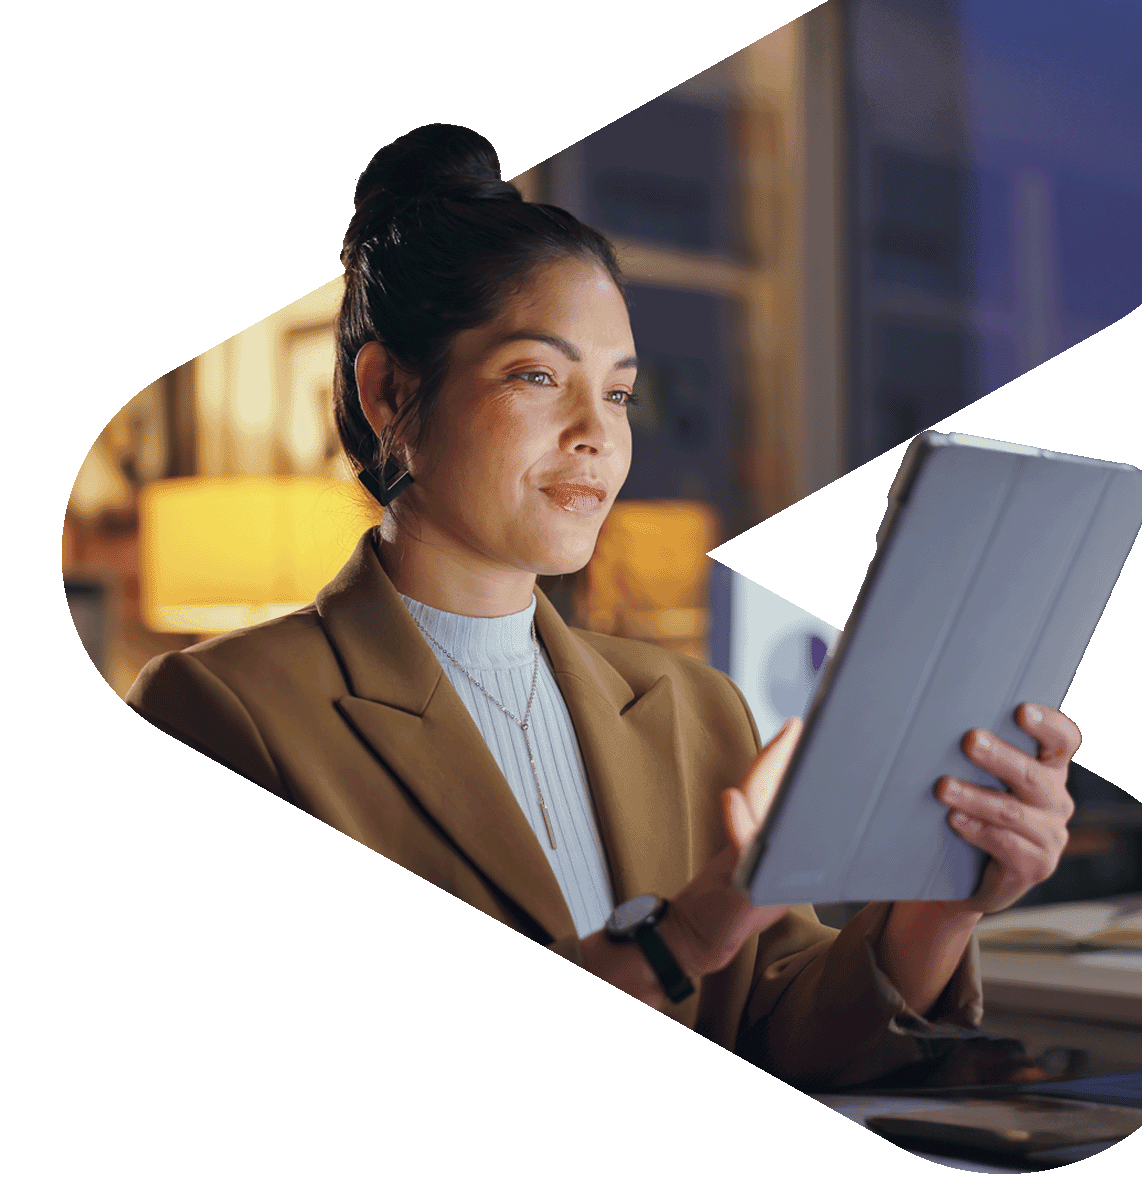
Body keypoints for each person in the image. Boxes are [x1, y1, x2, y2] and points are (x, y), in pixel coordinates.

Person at [127, 124, 1079, 1090]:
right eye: (538, 377)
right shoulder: (216, 713)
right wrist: (681, 941)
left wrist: (948, 897)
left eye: (619, 395)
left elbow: (787, 1040)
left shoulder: (693, 705)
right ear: (389, 391)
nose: (597, 437)